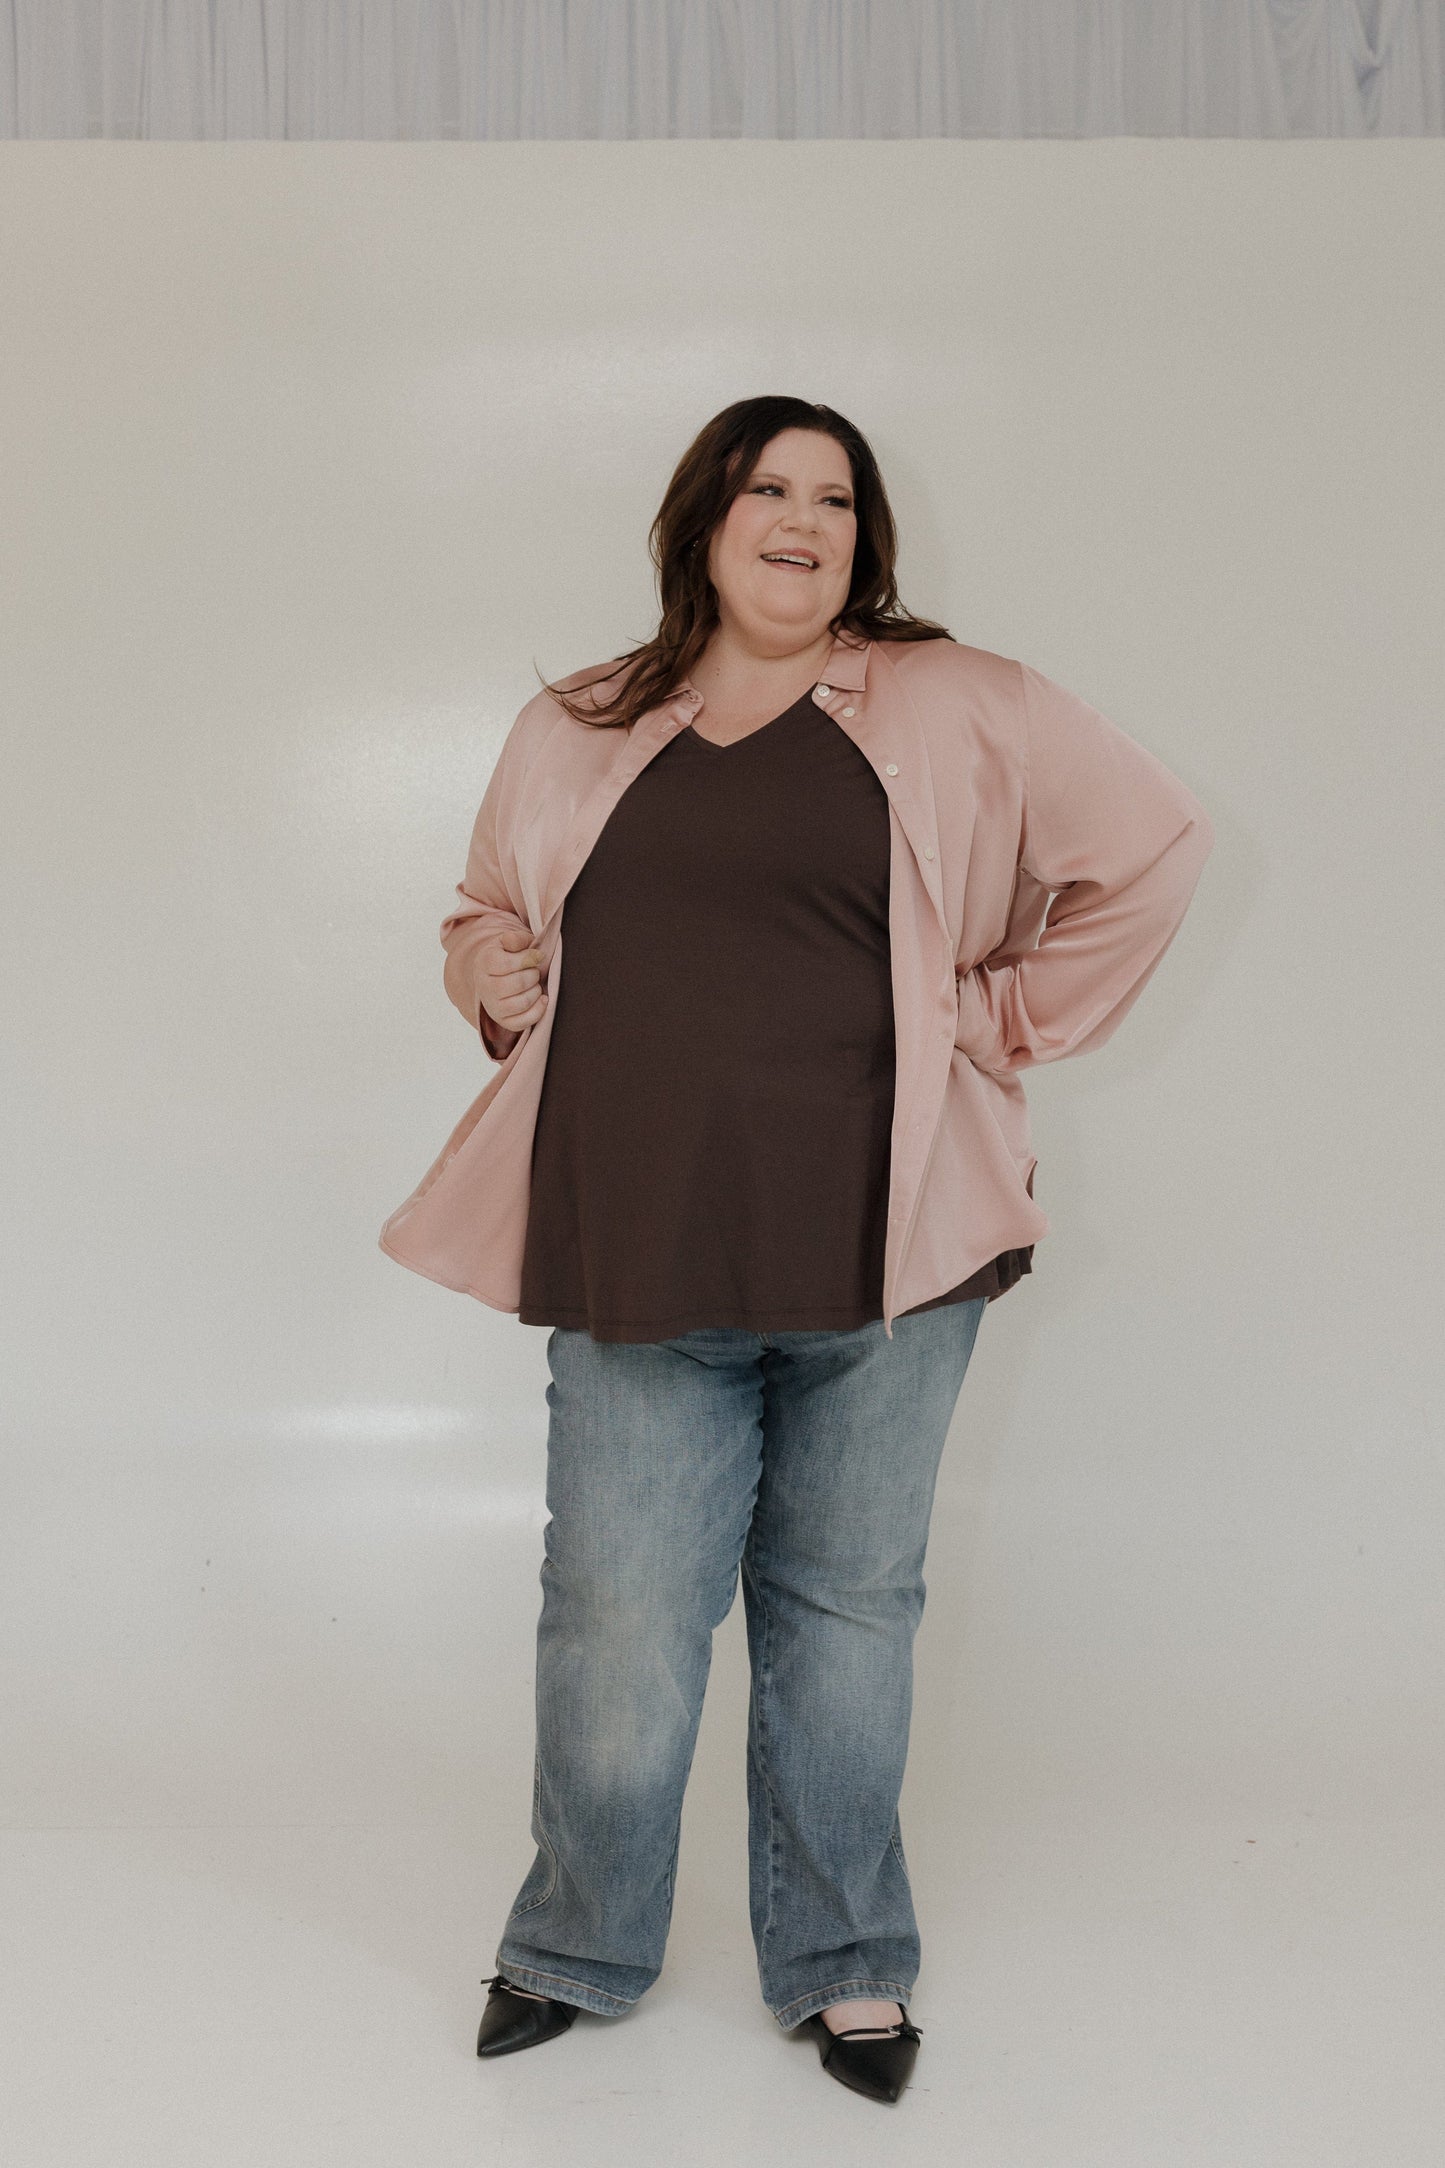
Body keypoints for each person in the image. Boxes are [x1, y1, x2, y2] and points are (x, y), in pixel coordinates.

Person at [378, 394, 1214, 2106]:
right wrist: (483, 971)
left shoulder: (964, 701)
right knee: (616, 1622)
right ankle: (577, 1943)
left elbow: (1151, 850)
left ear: (866, 538)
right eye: (768, 488)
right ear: (700, 518)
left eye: (835, 498)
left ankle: (844, 1961)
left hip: (889, 1268)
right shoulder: (579, 719)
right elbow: (482, 904)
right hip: (635, 1246)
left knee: (846, 1618)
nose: (801, 520)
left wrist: (1000, 1012)